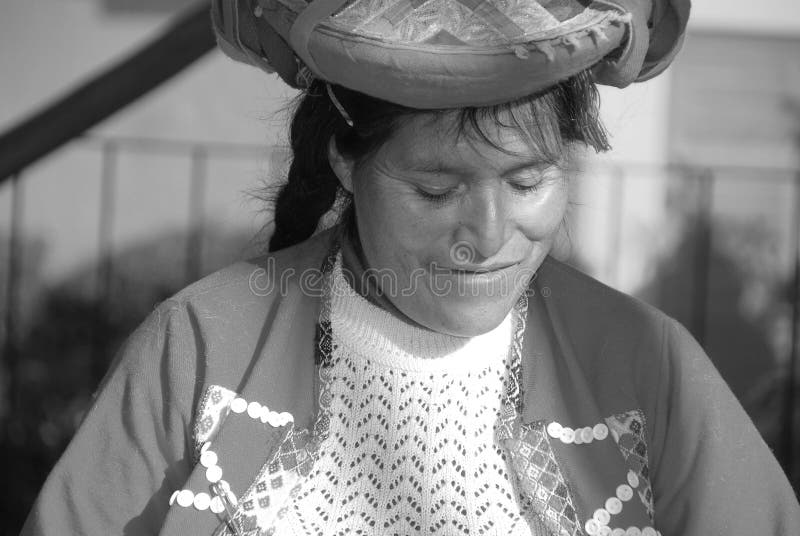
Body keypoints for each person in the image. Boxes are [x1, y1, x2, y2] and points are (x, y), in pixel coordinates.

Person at [21, 0, 800, 534]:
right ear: (347, 163)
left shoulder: (644, 364)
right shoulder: (201, 345)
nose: (488, 236)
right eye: (436, 189)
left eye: (528, 181)